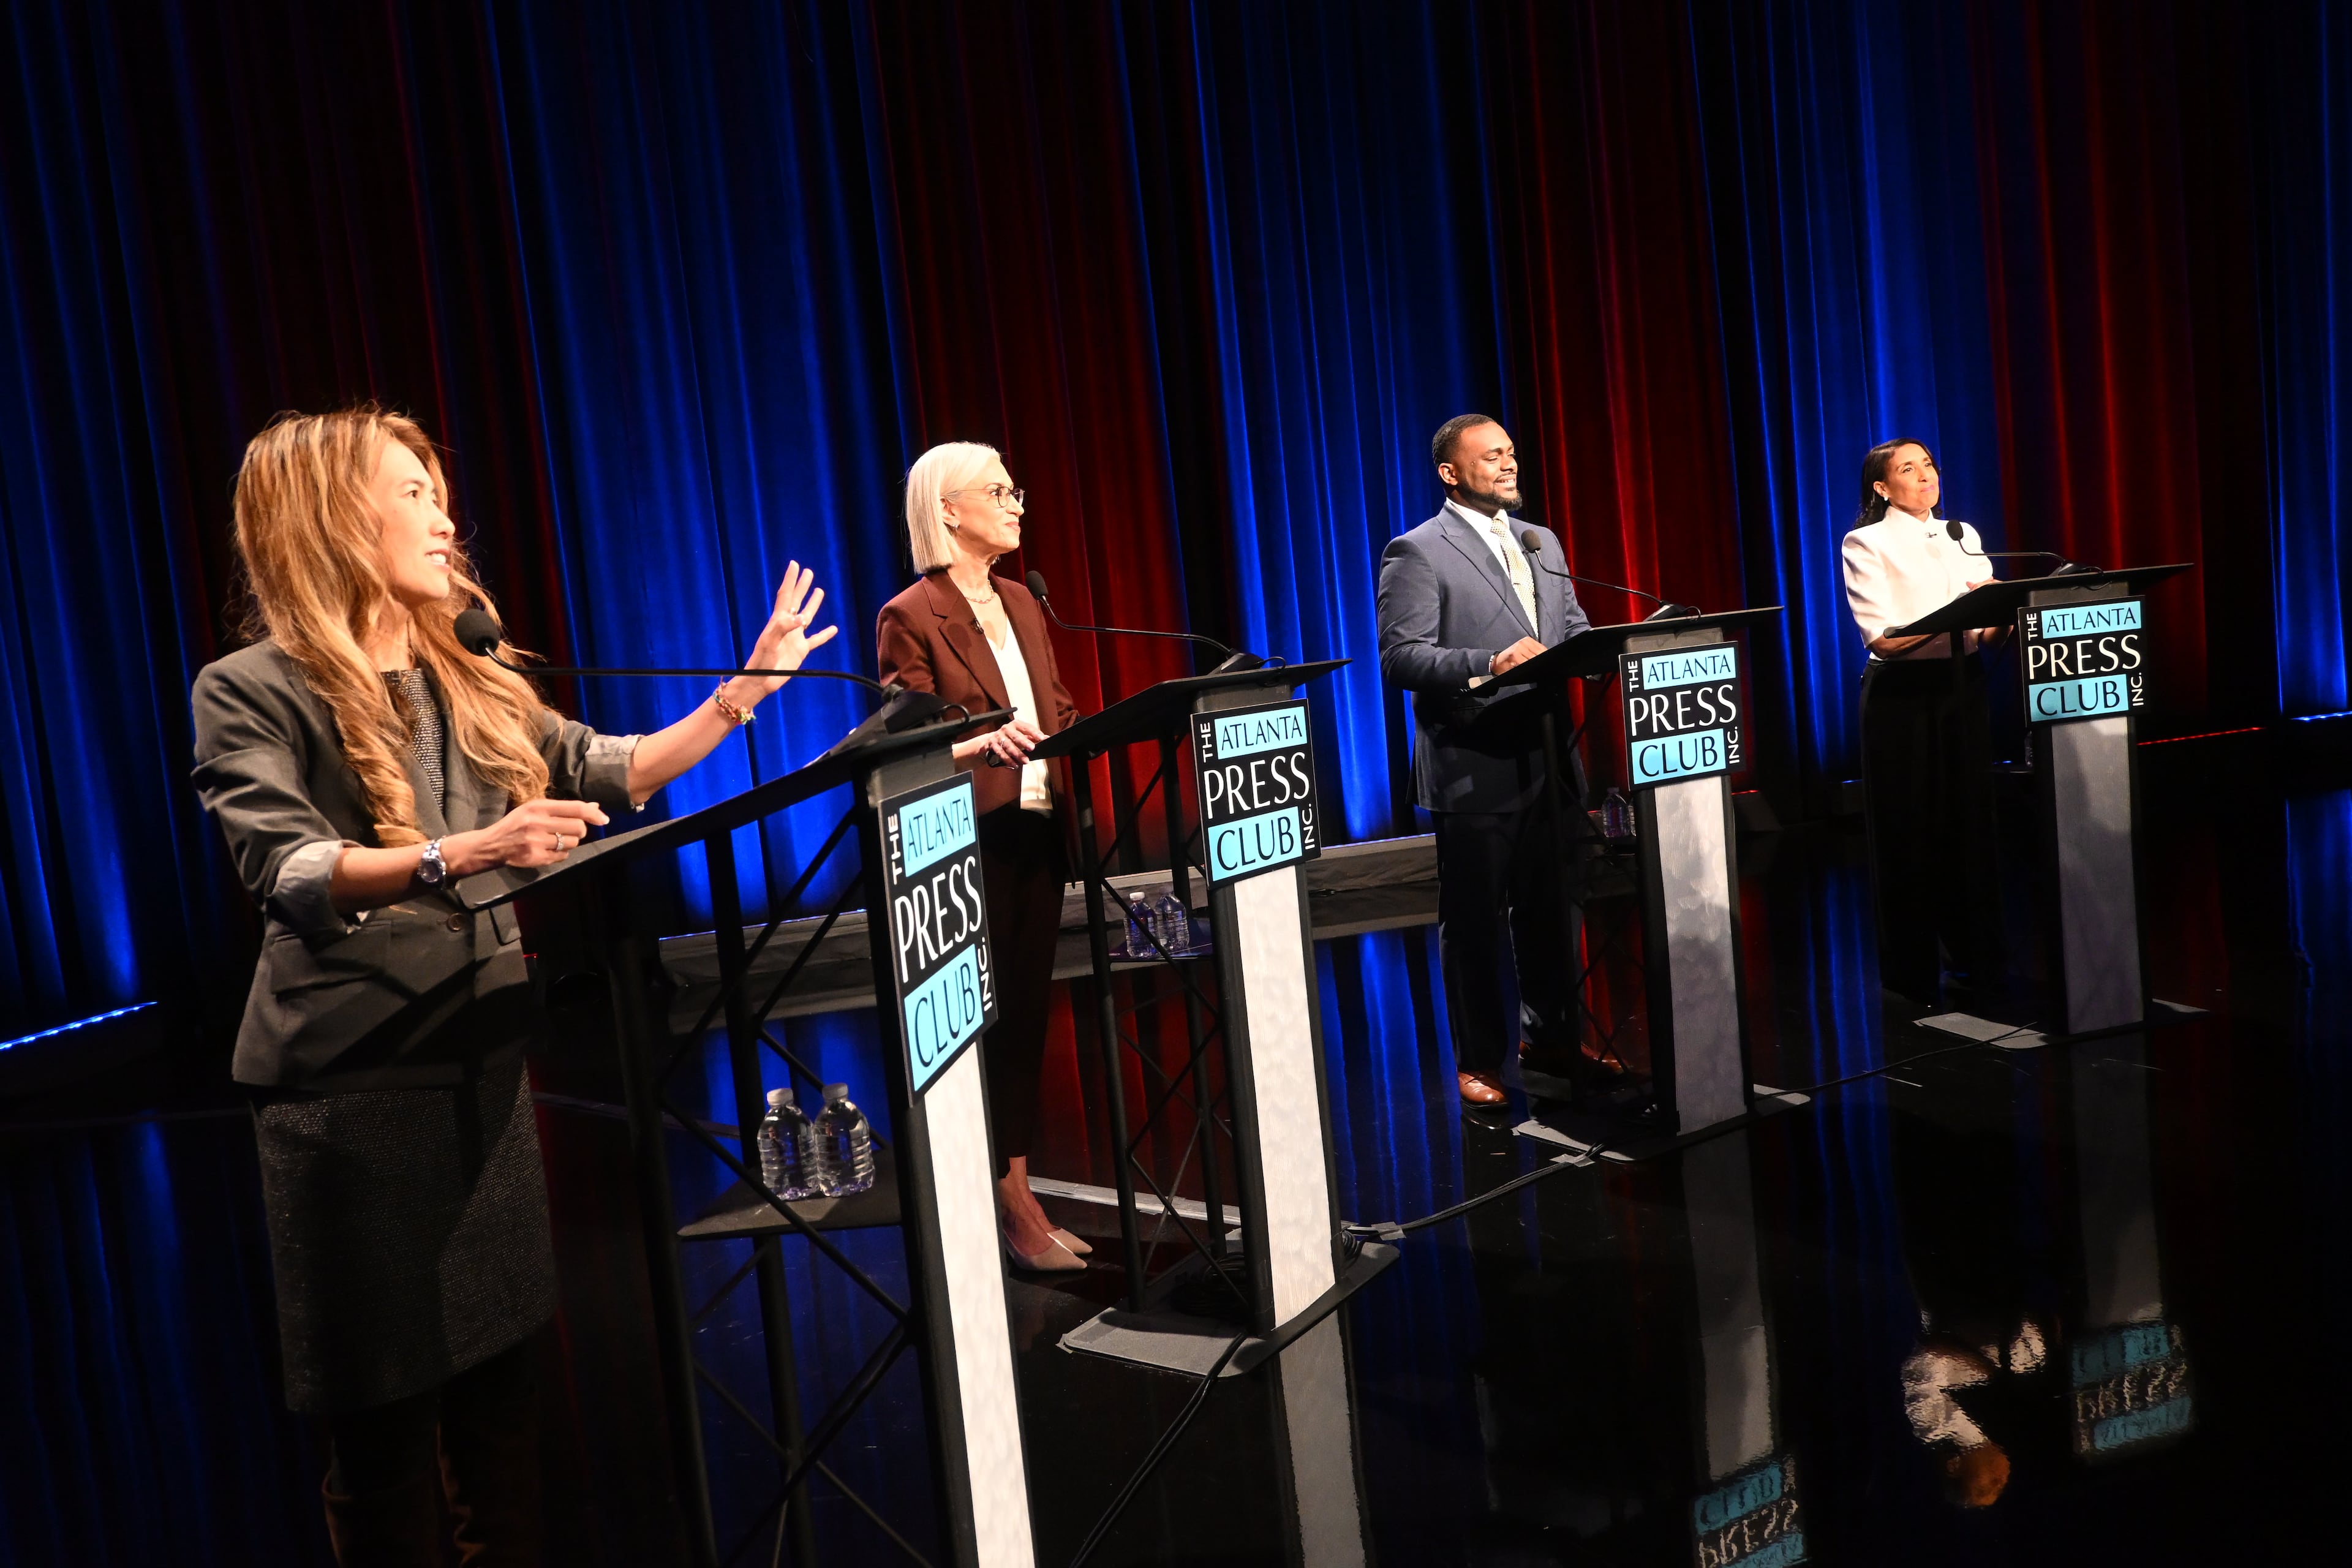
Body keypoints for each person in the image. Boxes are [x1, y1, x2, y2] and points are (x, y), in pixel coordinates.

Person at [190, 406, 837, 1562]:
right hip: (354, 1098)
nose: (446, 520)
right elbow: (285, 871)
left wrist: (745, 691)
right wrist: (466, 851)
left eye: (443, 495)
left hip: (481, 1073)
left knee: (502, 1419)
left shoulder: (466, 666)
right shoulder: (251, 687)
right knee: (386, 1441)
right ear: (334, 518)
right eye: (414, 495)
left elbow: (608, 770)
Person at [876, 441, 1088, 1273]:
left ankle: (1019, 1185)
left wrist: (1077, 734)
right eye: (998, 491)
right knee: (987, 1023)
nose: (1017, 503)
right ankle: (1003, 1203)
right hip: (969, 844)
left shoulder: (1023, 601)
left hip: (1039, 825)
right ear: (949, 510)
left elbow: (1057, 704)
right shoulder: (911, 613)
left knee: (1030, 1015)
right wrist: (978, 746)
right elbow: (902, 744)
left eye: (1015, 487)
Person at [1377, 413, 1618, 1108]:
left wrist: (1617, 650)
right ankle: (1479, 1058)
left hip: (1550, 756)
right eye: (1490, 456)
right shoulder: (1417, 550)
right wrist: (1490, 661)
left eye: (1511, 452)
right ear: (1451, 472)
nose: (1509, 465)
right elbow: (1402, 657)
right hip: (1474, 763)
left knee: (1553, 910)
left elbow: (1571, 632)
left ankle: (1550, 1036)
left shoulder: (1541, 541)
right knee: (1478, 921)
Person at [1840, 437, 2008, 1009]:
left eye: (1930, 464)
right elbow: (1884, 640)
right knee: (1907, 833)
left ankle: (1976, 960)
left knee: (1970, 825)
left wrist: (2001, 613)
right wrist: (1960, 618)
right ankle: (1909, 973)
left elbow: (1985, 635)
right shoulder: (1866, 541)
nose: (1925, 475)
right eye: (1908, 469)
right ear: (1882, 488)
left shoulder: (1963, 535)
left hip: (1962, 689)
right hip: (1900, 697)